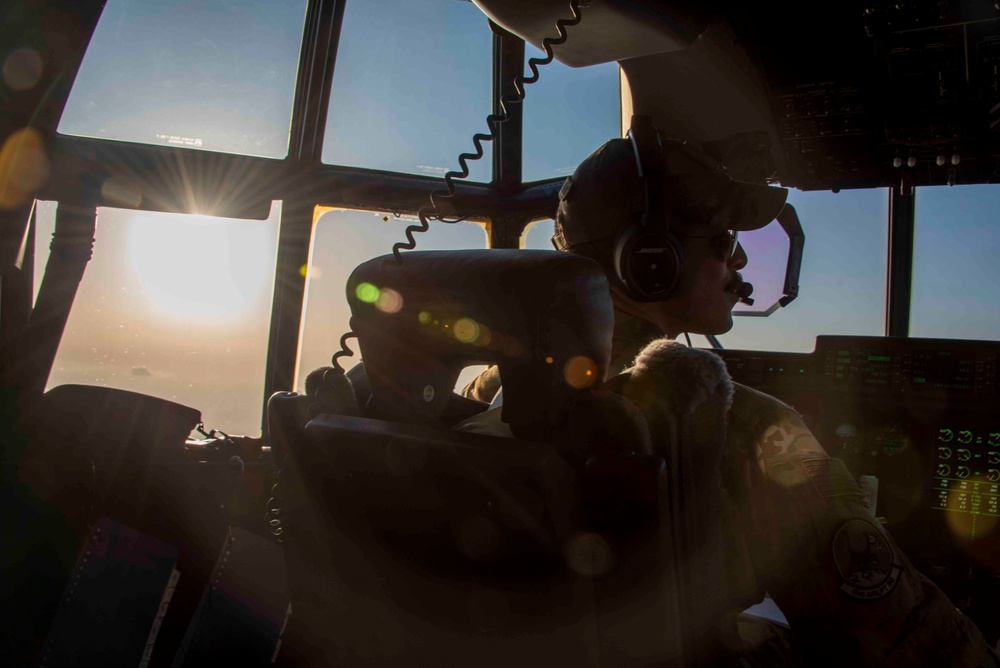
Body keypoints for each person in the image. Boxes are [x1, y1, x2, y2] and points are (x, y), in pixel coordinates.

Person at [462, 130, 996, 667]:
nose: (739, 262)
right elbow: (901, 637)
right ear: (652, 260)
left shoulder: (494, 388)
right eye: (723, 241)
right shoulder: (725, 420)